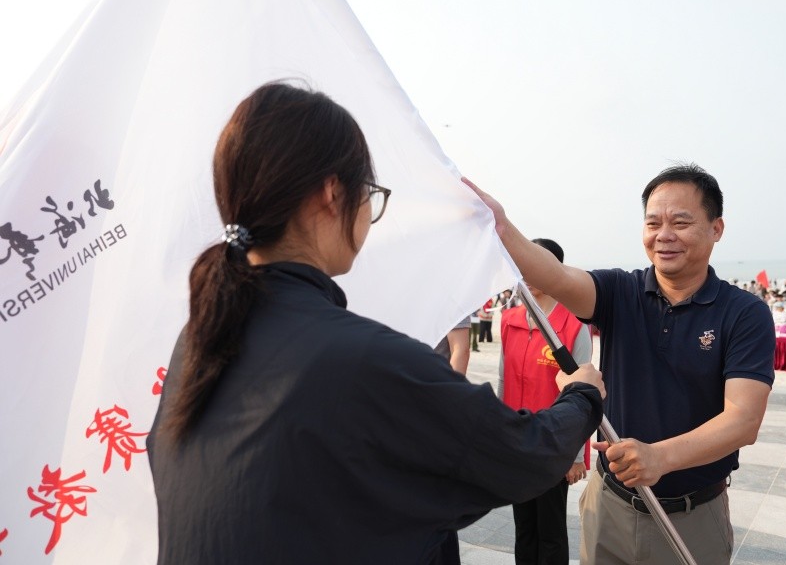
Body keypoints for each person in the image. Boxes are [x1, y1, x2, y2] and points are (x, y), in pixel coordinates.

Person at [145, 82, 606, 565]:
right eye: (369, 192)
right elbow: (521, 454)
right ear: (332, 193)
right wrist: (582, 395)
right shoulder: (360, 359)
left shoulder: (200, 340)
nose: (370, 212)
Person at [465, 163, 775, 564]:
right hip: (609, 506)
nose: (664, 235)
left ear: (716, 228)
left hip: (692, 514)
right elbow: (556, 276)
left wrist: (660, 457)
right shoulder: (619, 291)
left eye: (681, 222)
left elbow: (743, 420)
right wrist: (502, 227)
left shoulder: (743, 312)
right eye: (653, 223)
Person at [498, 238, 593, 565]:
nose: (527, 274)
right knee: (524, 526)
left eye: (534, 265)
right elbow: (503, 381)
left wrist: (576, 456)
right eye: (521, 267)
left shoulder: (573, 326)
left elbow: (584, 395)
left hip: (554, 444)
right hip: (517, 440)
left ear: (553, 269)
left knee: (550, 530)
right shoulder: (510, 320)